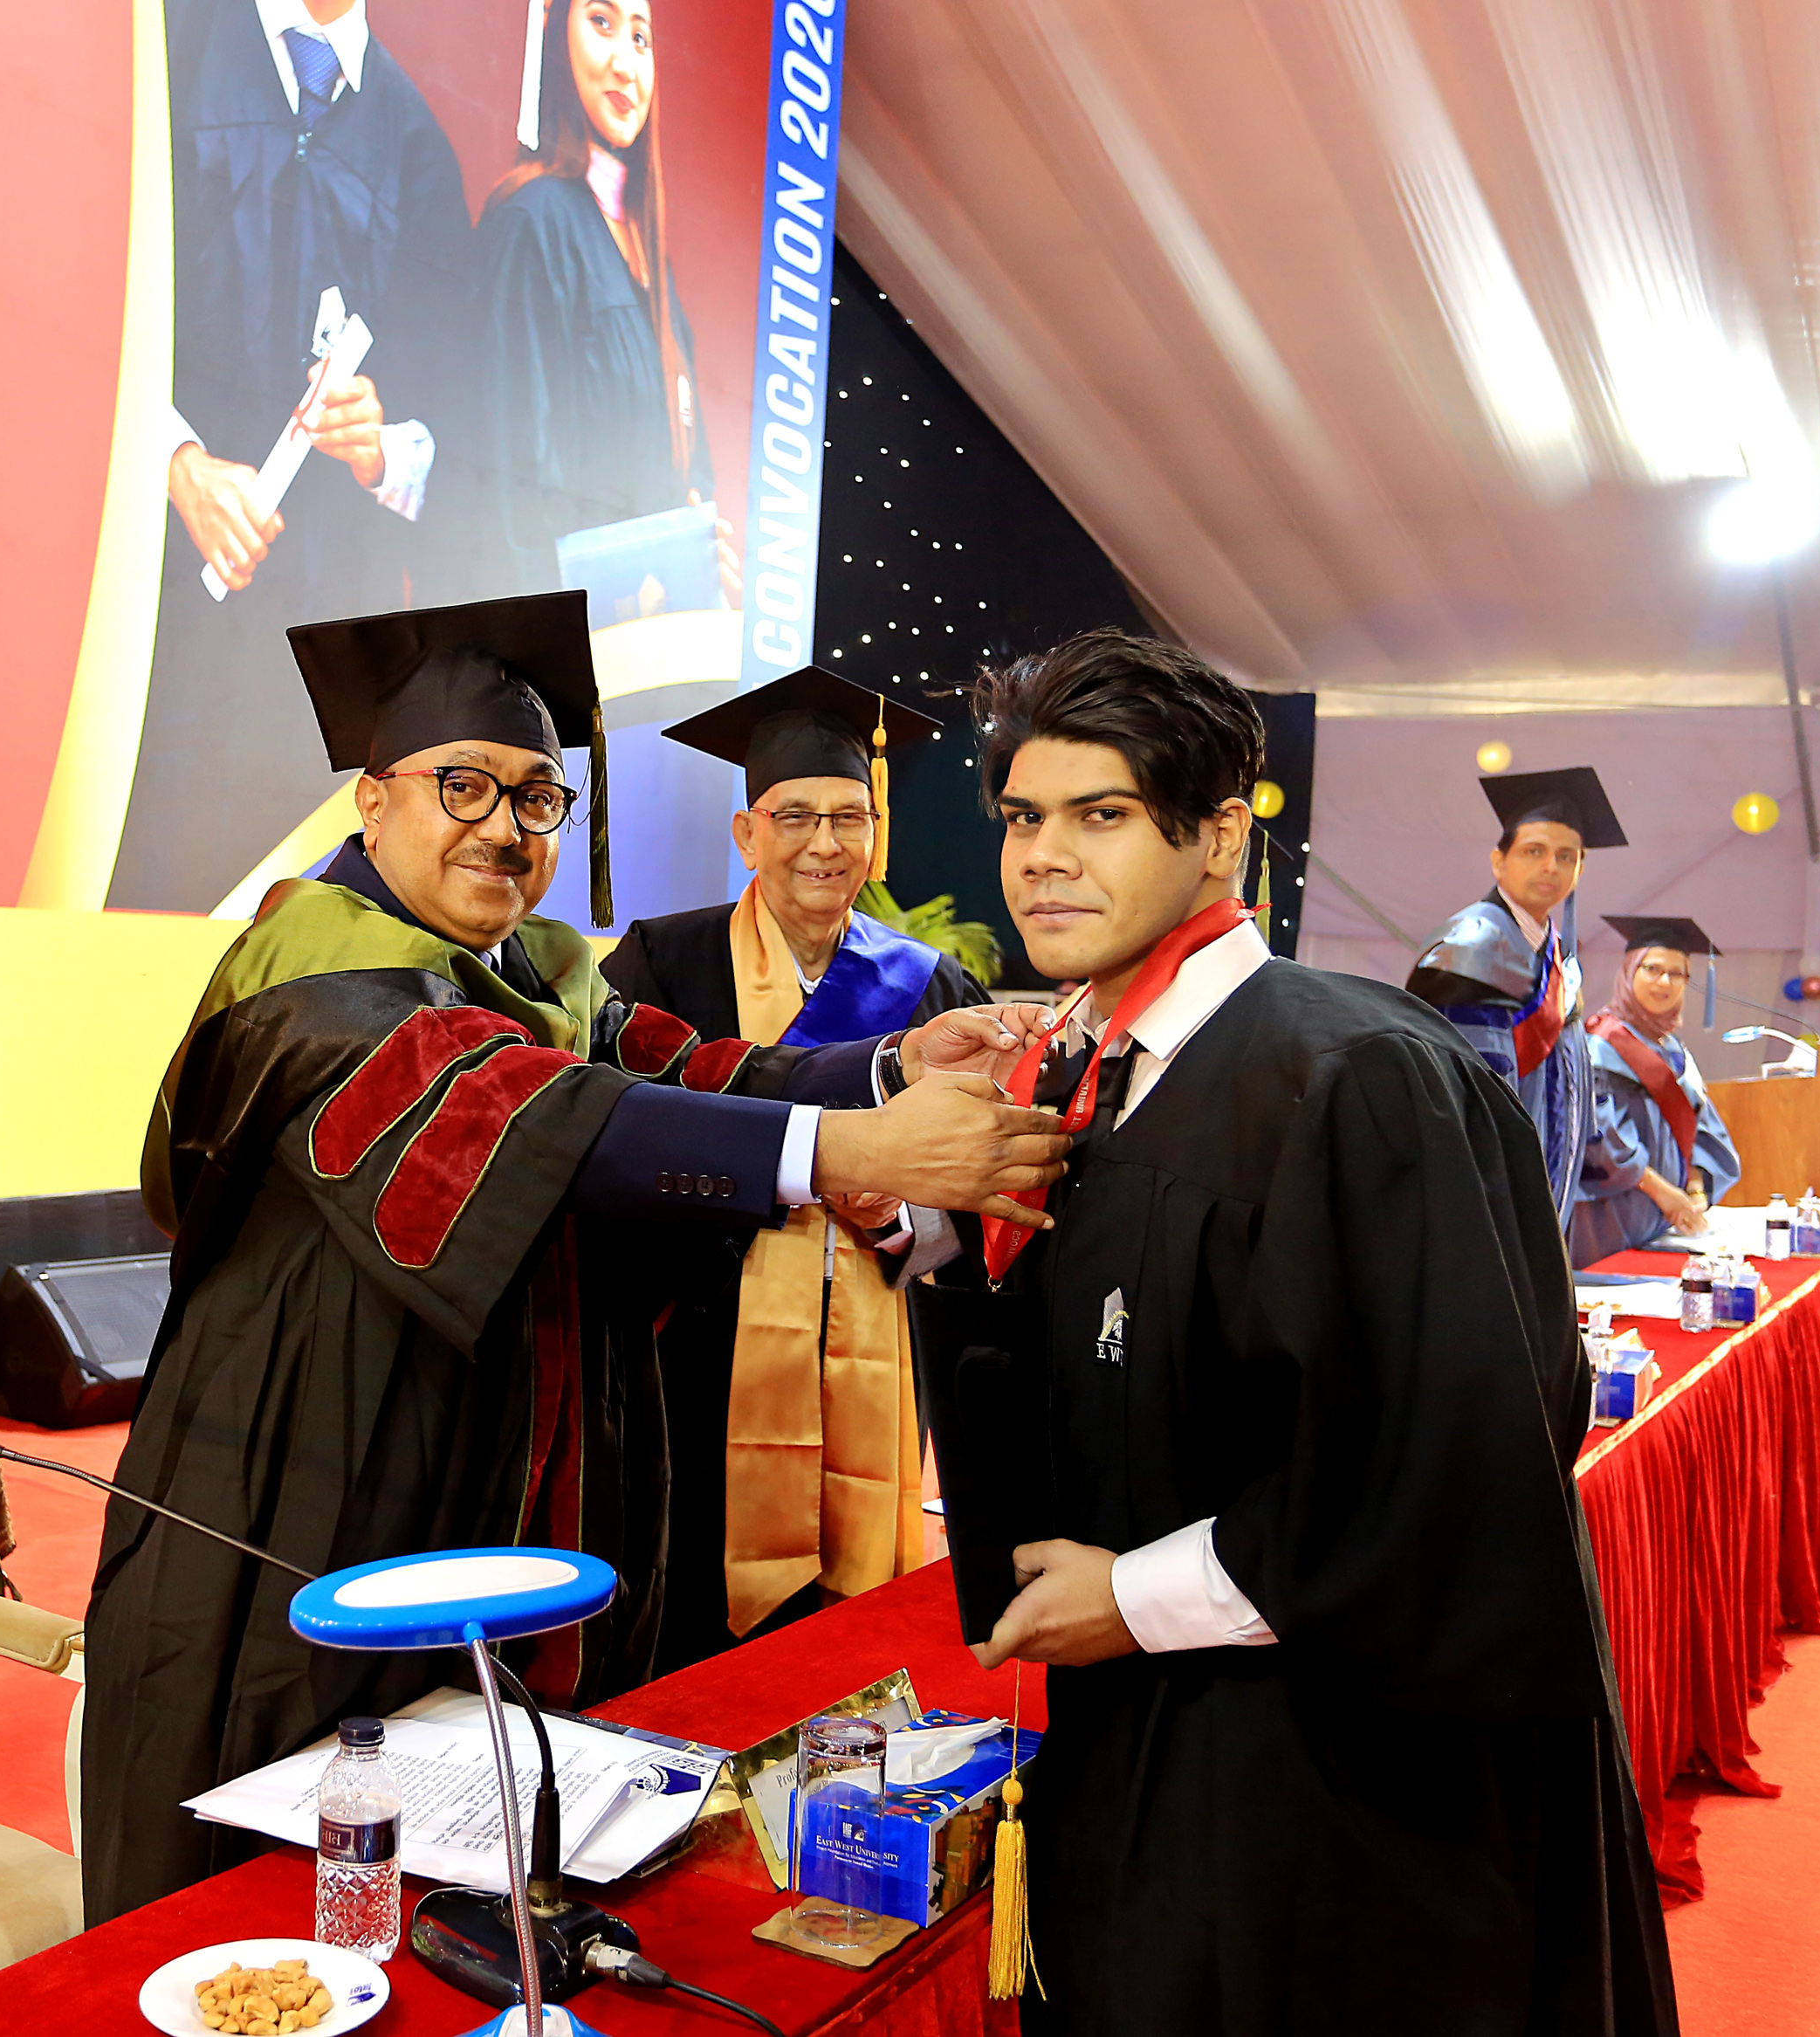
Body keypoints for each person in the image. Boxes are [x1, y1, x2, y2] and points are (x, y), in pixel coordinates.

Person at [80, 591, 1067, 1924]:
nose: (502, 825)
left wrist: (890, 1062)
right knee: (296, 1836)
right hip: (307, 1469)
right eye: (462, 786)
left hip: (476, 1458)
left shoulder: (539, 972)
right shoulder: (313, 974)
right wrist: (856, 1150)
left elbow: (697, 1070)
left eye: (536, 797)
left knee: (470, 1819)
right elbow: (544, 1117)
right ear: (371, 801)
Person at [918, 630, 1675, 2036]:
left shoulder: (1358, 1075)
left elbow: (1452, 1467)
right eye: (1022, 818)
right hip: (1132, 1742)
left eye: (1099, 814)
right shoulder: (1095, 1076)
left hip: (1327, 1785)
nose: (1041, 859)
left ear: (1217, 838)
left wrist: (1134, 1598)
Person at [602, 671, 983, 1670]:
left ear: (875, 832)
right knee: (693, 1623)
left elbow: (979, 1171)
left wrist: (898, 1206)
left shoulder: (931, 986)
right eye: (795, 816)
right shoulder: (662, 963)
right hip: (701, 1354)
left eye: (848, 816)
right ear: (747, 833)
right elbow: (610, 1140)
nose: (824, 842)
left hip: (878, 1344)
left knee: (844, 1645)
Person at [111, 0, 476, 914]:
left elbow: (461, 429)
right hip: (143, 617)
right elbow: (78, 297)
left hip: (313, 665)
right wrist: (174, 460)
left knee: (278, 933)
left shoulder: (417, 147)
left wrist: (381, 445)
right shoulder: (170, 44)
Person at [473, 0, 735, 601]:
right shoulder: (532, 221)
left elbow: (690, 473)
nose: (626, 63)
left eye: (641, 39)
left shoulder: (652, 263)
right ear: (556, 39)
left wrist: (697, 553)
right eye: (601, 23)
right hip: (566, 635)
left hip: (651, 638)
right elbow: (514, 488)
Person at [1407, 767, 1629, 1232]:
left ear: (1580, 870)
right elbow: (1466, 1097)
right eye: (1534, 851)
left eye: (1566, 856)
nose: (1551, 866)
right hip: (1484, 1196)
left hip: (1543, 1186)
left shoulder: (1554, 953)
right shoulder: (1471, 948)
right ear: (1498, 861)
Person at [1571, 918, 1742, 1263]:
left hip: (1670, 1220)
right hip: (1614, 1217)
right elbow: (1601, 1140)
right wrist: (1663, 1194)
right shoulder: (1601, 1046)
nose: (1664, 982)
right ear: (1629, 971)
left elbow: (1704, 1127)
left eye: (1677, 974)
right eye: (1652, 969)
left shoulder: (1674, 1050)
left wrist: (1696, 1190)